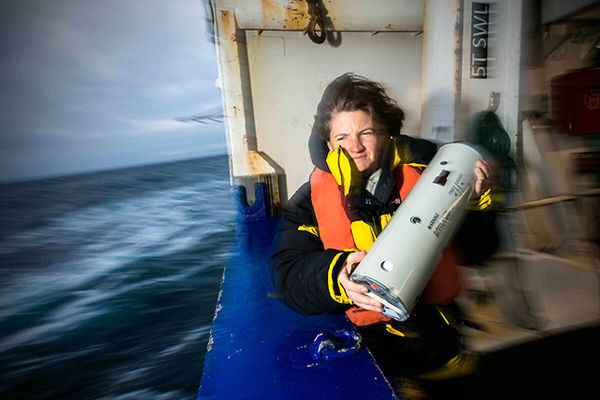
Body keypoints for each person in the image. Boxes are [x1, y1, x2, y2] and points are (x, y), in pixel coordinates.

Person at [269, 73, 498, 378]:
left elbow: (482, 250)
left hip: (441, 345)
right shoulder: (310, 199)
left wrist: (475, 204)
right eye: (342, 138)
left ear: (385, 132)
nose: (355, 146)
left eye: (366, 132)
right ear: (327, 142)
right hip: (375, 357)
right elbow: (286, 276)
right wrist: (337, 276)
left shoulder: (431, 172)